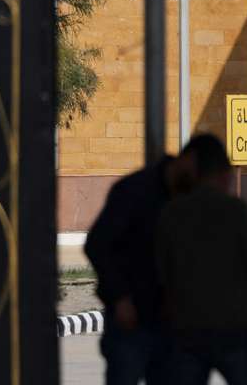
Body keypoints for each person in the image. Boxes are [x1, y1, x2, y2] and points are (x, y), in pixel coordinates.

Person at [156, 133, 247, 385]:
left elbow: (160, 274)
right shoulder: (237, 211)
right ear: (223, 173)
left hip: (187, 328)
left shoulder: (172, 213)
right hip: (235, 327)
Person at [84, 141, 195, 385]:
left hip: (171, 323)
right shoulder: (134, 191)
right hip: (130, 318)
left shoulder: (191, 196)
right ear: (186, 163)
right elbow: (97, 244)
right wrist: (120, 297)